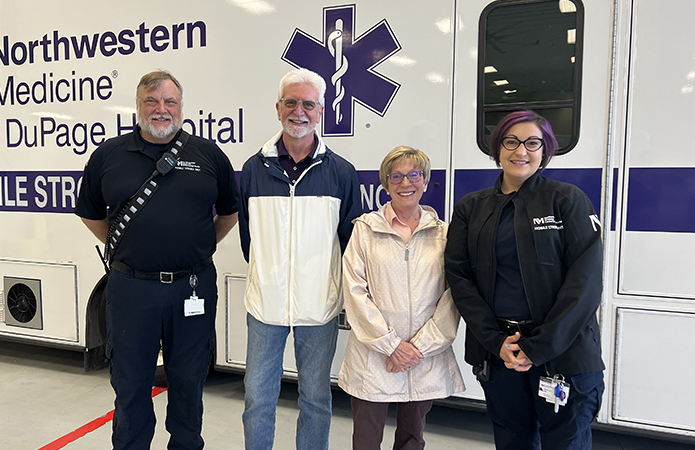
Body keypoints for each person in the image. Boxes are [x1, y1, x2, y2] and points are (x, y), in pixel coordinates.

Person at [75, 70, 239, 450]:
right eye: (152, 101)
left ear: (181, 107)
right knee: (131, 386)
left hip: (192, 287)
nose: (161, 109)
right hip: (131, 289)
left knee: (188, 382)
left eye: (170, 102)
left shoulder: (208, 154)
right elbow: (90, 212)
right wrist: (128, 249)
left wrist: (196, 248)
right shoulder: (109, 155)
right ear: (137, 106)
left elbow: (230, 211)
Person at [444, 110, 604, 450]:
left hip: (563, 354)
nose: (521, 151)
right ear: (497, 148)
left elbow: (585, 284)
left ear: (545, 150)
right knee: (512, 441)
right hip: (500, 355)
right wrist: (496, 342)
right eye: (511, 141)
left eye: (533, 142)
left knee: (567, 442)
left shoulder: (567, 200)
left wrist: (538, 347)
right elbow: (460, 278)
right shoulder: (471, 208)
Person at [238, 68, 362, 450]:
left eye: (308, 104)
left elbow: (350, 241)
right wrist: (269, 277)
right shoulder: (253, 169)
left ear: (321, 112)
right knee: (257, 399)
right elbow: (248, 239)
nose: (299, 112)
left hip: (319, 309)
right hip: (265, 308)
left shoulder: (341, 172)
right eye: (291, 103)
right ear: (278, 109)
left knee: (316, 400)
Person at [339, 146, 465, 450]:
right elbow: (355, 291)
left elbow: (453, 296)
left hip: (424, 358)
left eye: (414, 175)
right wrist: (392, 346)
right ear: (385, 183)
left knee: (412, 438)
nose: (405, 183)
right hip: (376, 355)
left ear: (425, 182)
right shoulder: (365, 230)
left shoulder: (444, 234)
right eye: (396, 176)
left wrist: (417, 349)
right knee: (366, 440)